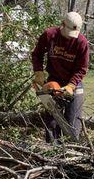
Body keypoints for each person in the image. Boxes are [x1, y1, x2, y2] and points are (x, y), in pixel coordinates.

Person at [31, 12, 89, 142]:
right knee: (51, 124)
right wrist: (38, 72)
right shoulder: (50, 35)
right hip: (53, 82)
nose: (70, 38)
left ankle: (72, 153)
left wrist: (71, 85)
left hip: (74, 83)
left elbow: (82, 68)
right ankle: (52, 154)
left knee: (73, 128)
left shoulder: (82, 42)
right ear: (62, 24)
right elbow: (37, 54)